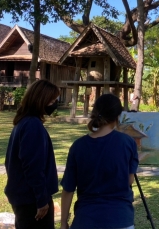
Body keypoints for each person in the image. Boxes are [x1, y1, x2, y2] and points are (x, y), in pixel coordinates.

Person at [60, 94, 139, 229]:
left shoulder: (78, 146)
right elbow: (128, 181)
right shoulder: (128, 143)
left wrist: (63, 223)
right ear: (117, 116)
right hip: (120, 218)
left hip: (85, 219)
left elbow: (68, 189)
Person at [4, 80, 60, 229]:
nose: (54, 104)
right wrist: (41, 200)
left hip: (23, 196)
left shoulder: (23, 122)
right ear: (41, 100)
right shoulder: (32, 125)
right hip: (31, 200)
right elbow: (33, 166)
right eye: (52, 100)